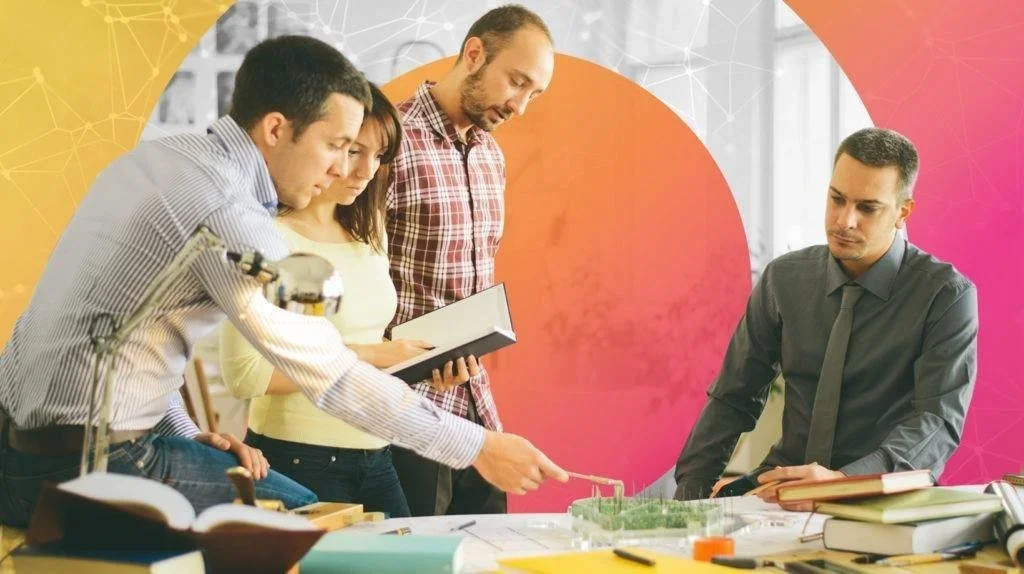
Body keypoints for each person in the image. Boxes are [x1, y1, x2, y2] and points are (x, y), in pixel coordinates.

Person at [0, 35, 567, 528]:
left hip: (21, 459)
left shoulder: (151, 164)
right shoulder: (233, 219)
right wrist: (478, 446)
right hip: (97, 468)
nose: (344, 171)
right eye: (337, 146)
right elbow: (332, 376)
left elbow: (107, 337)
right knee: (317, 517)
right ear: (276, 128)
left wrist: (186, 432)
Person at [673, 128, 979, 505]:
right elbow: (734, 395)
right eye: (836, 199)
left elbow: (937, 422)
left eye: (867, 208)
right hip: (782, 487)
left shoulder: (946, 295)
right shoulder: (784, 279)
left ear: (903, 211)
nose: (844, 220)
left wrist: (842, 481)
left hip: (880, 496)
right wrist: (691, 497)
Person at [220, 83, 467, 518]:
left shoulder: (368, 229)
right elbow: (246, 375)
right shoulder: (264, 235)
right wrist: (373, 355)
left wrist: (418, 366)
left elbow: (366, 344)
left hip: (376, 449)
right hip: (300, 458)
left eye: (380, 155)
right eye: (354, 151)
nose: (367, 170)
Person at [386, 4, 555, 516]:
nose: (520, 105)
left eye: (534, 93)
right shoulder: (388, 142)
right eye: (516, 82)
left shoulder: (489, 154)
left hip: (475, 400)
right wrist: (410, 357)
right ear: (474, 54)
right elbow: (355, 276)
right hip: (407, 410)